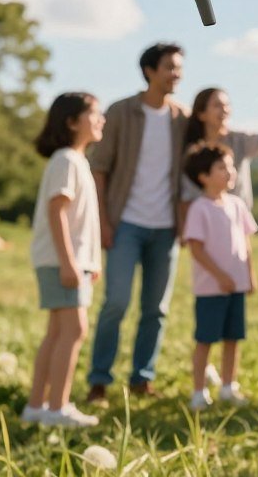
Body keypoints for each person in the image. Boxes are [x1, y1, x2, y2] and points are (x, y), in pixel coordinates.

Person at [86, 43, 189, 406]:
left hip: (166, 229)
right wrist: (103, 221)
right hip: (125, 222)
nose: (176, 74)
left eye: (179, 68)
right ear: (149, 71)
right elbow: (98, 169)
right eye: (170, 68)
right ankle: (98, 381)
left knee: (155, 309)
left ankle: (142, 379)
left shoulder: (182, 119)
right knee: (115, 302)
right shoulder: (120, 112)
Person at [22, 92, 105, 427]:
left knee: (57, 332)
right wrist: (70, 262)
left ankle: (36, 407)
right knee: (74, 330)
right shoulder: (67, 160)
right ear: (72, 122)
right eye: (95, 114)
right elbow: (57, 212)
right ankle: (58, 409)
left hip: (69, 261)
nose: (102, 120)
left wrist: (90, 262)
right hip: (61, 262)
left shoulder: (75, 161)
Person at [183, 145, 258, 411]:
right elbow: (196, 248)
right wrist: (220, 276)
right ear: (203, 176)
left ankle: (228, 386)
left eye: (231, 166)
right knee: (205, 340)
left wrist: (249, 275)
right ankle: (198, 391)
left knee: (233, 338)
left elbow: (245, 242)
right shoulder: (199, 208)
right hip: (210, 290)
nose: (230, 172)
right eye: (222, 167)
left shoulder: (237, 205)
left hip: (235, 287)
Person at [182, 87, 258, 210]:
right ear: (201, 114)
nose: (224, 110)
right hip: (205, 216)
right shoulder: (193, 149)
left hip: (237, 216)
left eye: (227, 105)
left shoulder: (239, 139)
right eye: (217, 106)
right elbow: (187, 192)